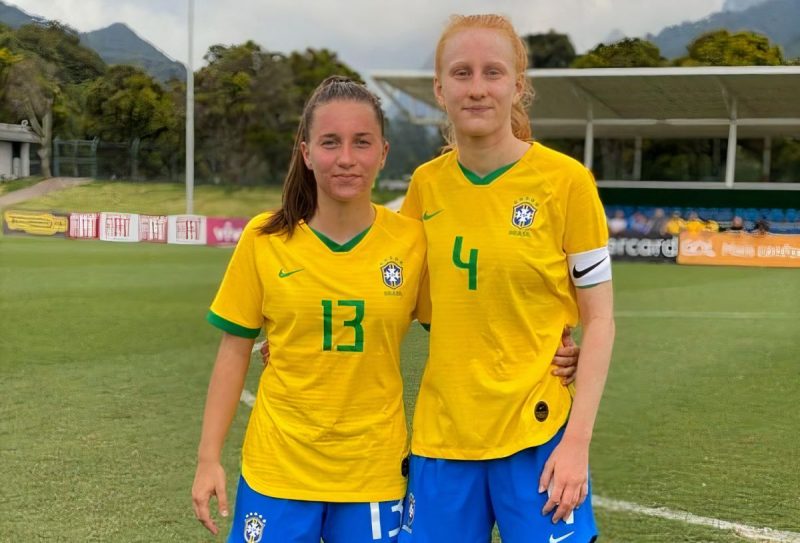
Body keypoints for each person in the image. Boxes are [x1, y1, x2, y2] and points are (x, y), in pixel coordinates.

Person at [192, 76, 580, 543]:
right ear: (306, 152)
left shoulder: (412, 240)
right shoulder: (264, 239)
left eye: (362, 142)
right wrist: (208, 458)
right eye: (330, 143)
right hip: (278, 465)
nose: (346, 158)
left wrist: (553, 351)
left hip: (373, 473)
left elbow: (468, 318)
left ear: (383, 153)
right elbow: (233, 352)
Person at [397, 14, 615, 543]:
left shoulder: (567, 182)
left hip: (539, 435)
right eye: (461, 73)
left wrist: (576, 445)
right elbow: (390, 297)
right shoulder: (425, 187)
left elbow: (600, 319)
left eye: (492, 73)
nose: (476, 88)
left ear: (517, 85)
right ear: (439, 88)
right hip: (443, 436)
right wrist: (300, 333)